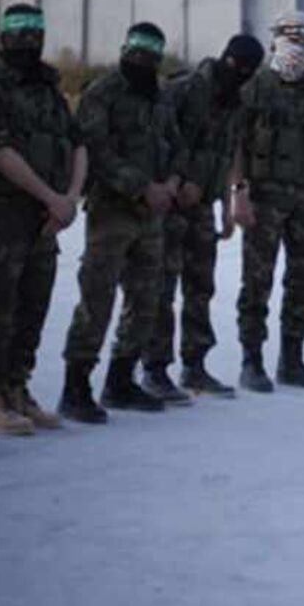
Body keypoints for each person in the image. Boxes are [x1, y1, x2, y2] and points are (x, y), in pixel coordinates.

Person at [0, 3, 85, 435]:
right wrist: (52, 197)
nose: (29, 39)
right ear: (3, 36)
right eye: (19, 31)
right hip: (6, 211)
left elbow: (76, 142)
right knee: (0, 305)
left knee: (35, 303)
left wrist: (68, 199)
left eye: (36, 30)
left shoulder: (47, 88)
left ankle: (17, 387)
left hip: (48, 216)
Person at [59, 22, 188, 423]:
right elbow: (96, 149)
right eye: (137, 49)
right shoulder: (102, 93)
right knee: (97, 297)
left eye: (152, 51)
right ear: (124, 48)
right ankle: (76, 386)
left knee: (146, 298)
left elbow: (177, 145)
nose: (143, 57)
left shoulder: (161, 96)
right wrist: (141, 188)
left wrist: (170, 184)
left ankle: (121, 379)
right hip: (112, 212)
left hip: (152, 216)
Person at [141, 34, 264, 404]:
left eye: (247, 71)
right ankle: (155, 368)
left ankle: (195, 365)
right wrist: (177, 183)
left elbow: (226, 154)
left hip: (203, 207)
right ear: (225, 57)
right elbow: (159, 141)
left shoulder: (235, 100)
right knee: (162, 286)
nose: (239, 74)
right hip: (171, 203)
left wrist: (226, 205)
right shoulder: (184, 90)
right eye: (236, 66)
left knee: (200, 286)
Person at [233, 10, 304, 392]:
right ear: (276, 39)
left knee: (303, 281)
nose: (300, 46)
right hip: (265, 197)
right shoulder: (256, 86)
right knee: (257, 281)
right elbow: (236, 143)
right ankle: (252, 361)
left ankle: (291, 359)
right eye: (293, 37)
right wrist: (238, 192)